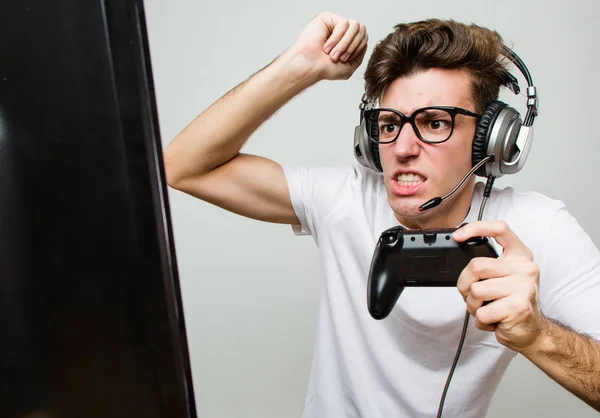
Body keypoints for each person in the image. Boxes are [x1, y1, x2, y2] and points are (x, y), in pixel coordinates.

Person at [163, 11, 600, 417]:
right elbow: (183, 167)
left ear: (490, 140)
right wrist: (301, 66)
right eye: (390, 124)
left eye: (434, 122)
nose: (403, 149)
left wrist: (539, 335)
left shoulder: (537, 229)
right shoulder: (345, 200)